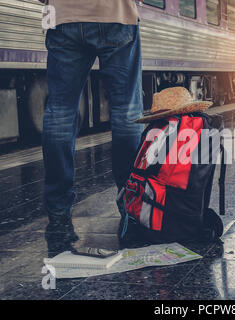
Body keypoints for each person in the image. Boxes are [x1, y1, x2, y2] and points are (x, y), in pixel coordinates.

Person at [39, 0, 144, 255]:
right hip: (117, 13)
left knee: (60, 113)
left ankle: (58, 215)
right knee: (126, 112)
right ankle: (131, 207)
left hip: (63, 17)